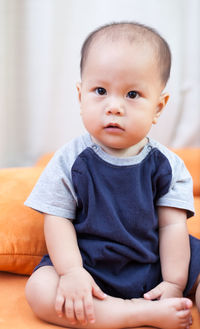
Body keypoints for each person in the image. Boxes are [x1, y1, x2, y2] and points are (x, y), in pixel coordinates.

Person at [25, 22, 200, 329]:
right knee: (40, 289)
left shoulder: (167, 164)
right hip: (90, 265)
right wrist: (71, 272)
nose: (114, 106)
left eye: (132, 94)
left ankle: (164, 304)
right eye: (101, 91)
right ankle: (131, 313)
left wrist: (174, 283)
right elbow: (57, 219)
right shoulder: (69, 159)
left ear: (158, 107)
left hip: (157, 260)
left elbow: (172, 225)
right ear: (81, 96)